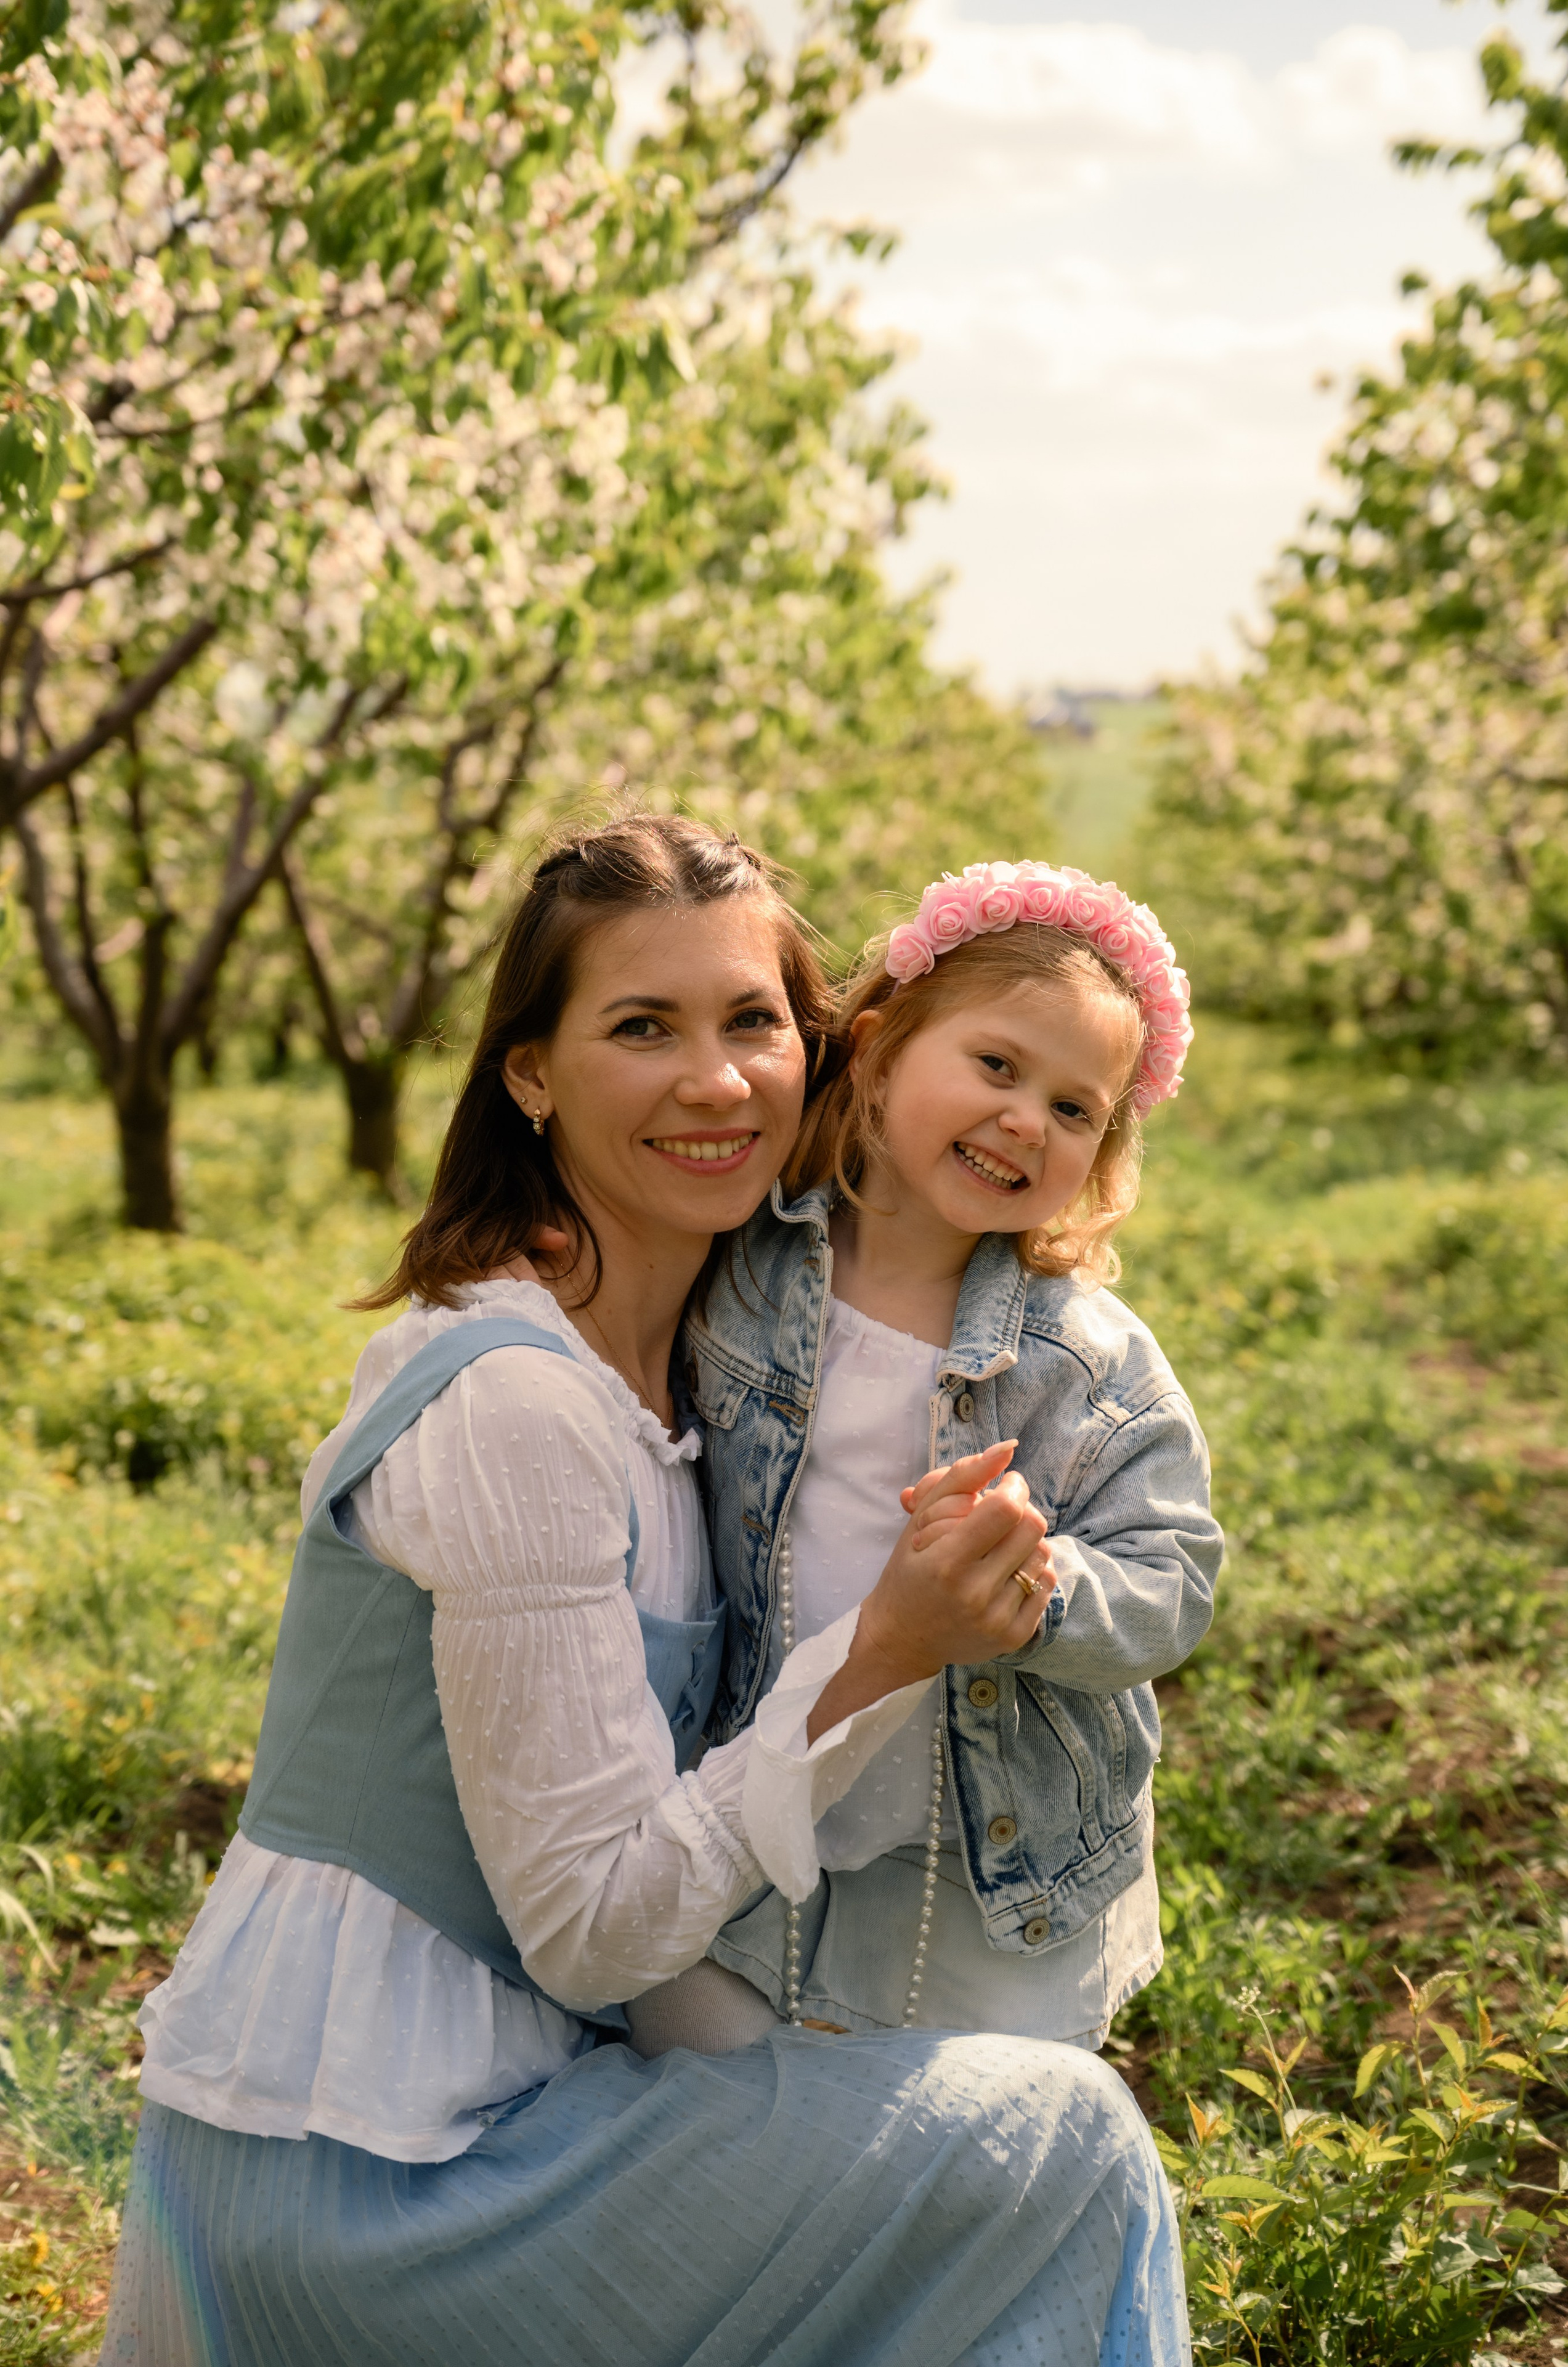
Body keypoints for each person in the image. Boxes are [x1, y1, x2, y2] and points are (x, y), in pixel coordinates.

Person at [100, 820, 1187, 2367]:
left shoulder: (697, 1381)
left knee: (962, 2135)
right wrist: (890, 1646)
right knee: (1056, 2142)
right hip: (375, 2170)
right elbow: (595, 1933)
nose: (717, 1080)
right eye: (639, 1028)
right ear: (530, 1074)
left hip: (524, 2104)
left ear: (823, 1053)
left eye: (751, 1021)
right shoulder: (520, 1405)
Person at [686, 859, 1224, 2048]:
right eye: (996, 1066)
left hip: (984, 1838)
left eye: (1078, 1108)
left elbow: (1173, 1572)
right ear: (877, 1050)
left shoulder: (1084, 1360)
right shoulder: (740, 1269)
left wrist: (1040, 1593)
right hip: (776, 1764)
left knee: (977, 2104)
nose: (1029, 1118)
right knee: (772, 2091)